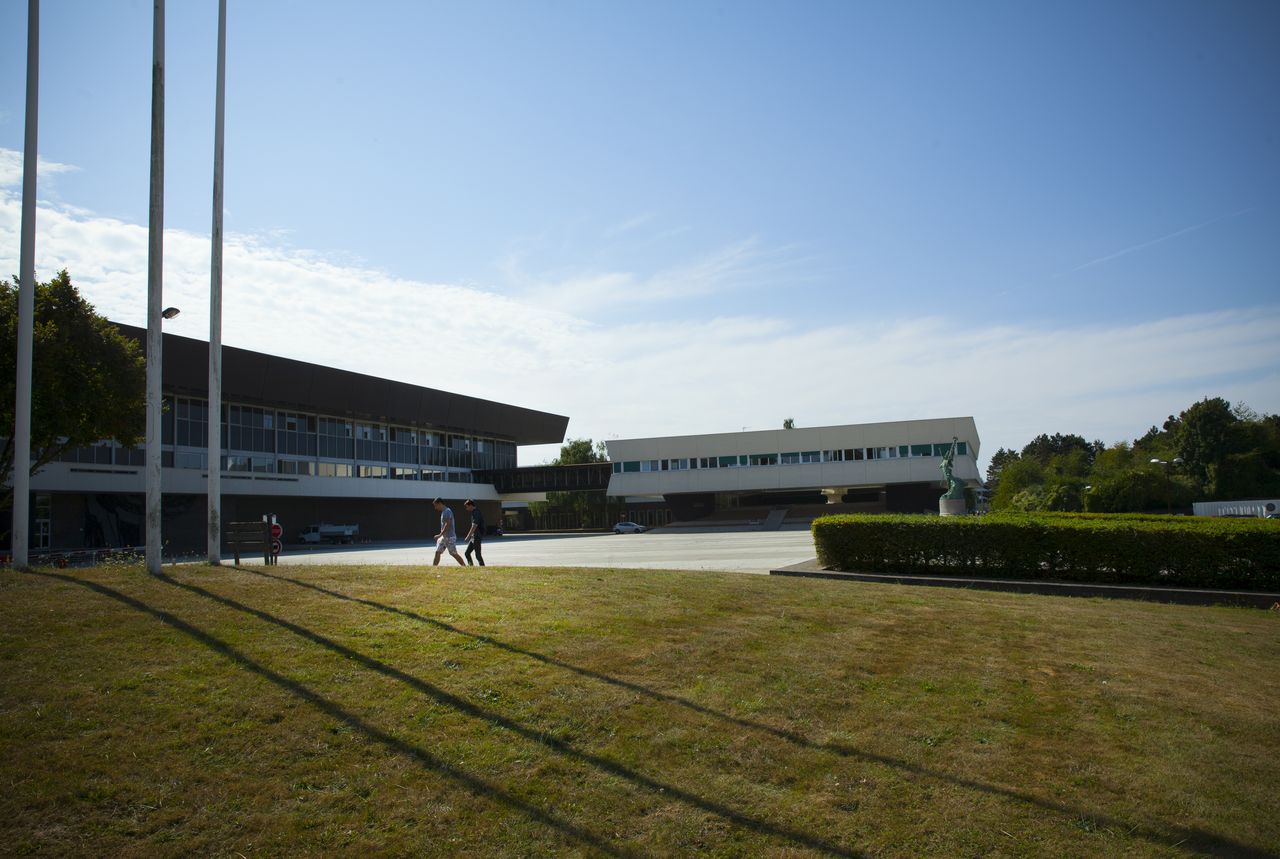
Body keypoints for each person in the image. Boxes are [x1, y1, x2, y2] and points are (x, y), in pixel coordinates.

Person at [432, 497, 466, 566]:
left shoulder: (447, 511)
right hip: (444, 537)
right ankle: (434, 568)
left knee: (453, 553)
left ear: (440, 503)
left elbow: (448, 524)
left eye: (436, 505)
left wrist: (439, 534)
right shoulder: (444, 512)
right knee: (437, 552)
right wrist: (441, 536)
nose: (435, 508)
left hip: (450, 537)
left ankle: (464, 566)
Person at [463, 499, 486, 566]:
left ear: (470, 505)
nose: (466, 509)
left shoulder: (476, 512)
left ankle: (483, 567)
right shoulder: (474, 512)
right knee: (467, 553)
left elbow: (474, 526)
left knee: (478, 555)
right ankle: (471, 566)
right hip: (474, 537)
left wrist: (468, 537)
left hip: (477, 537)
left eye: (467, 507)